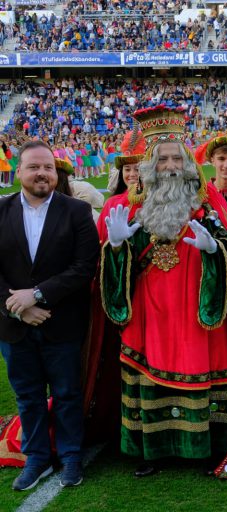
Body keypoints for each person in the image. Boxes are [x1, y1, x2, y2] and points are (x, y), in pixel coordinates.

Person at [100, 105, 227, 479]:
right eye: (163, 159)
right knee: (148, 374)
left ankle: (210, 445)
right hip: (150, 312)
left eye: (177, 157)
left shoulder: (208, 200)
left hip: (198, 310)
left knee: (203, 371)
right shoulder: (131, 206)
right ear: (149, 164)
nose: (171, 165)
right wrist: (116, 248)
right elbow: (118, 276)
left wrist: (215, 251)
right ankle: (152, 449)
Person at [0, 140, 99, 490]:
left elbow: (85, 267)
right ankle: (37, 458)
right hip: (14, 326)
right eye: (34, 167)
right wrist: (19, 309)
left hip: (64, 323)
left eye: (47, 167)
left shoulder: (76, 211)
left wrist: (37, 295)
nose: (42, 173)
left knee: (67, 393)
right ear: (19, 171)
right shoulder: (1, 209)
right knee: (27, 395)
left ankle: (71, 456)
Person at [99, 129, 146, 239]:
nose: (132, 174)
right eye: (127, 169)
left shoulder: (158, 200)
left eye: (137, 169)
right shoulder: (111, 203)